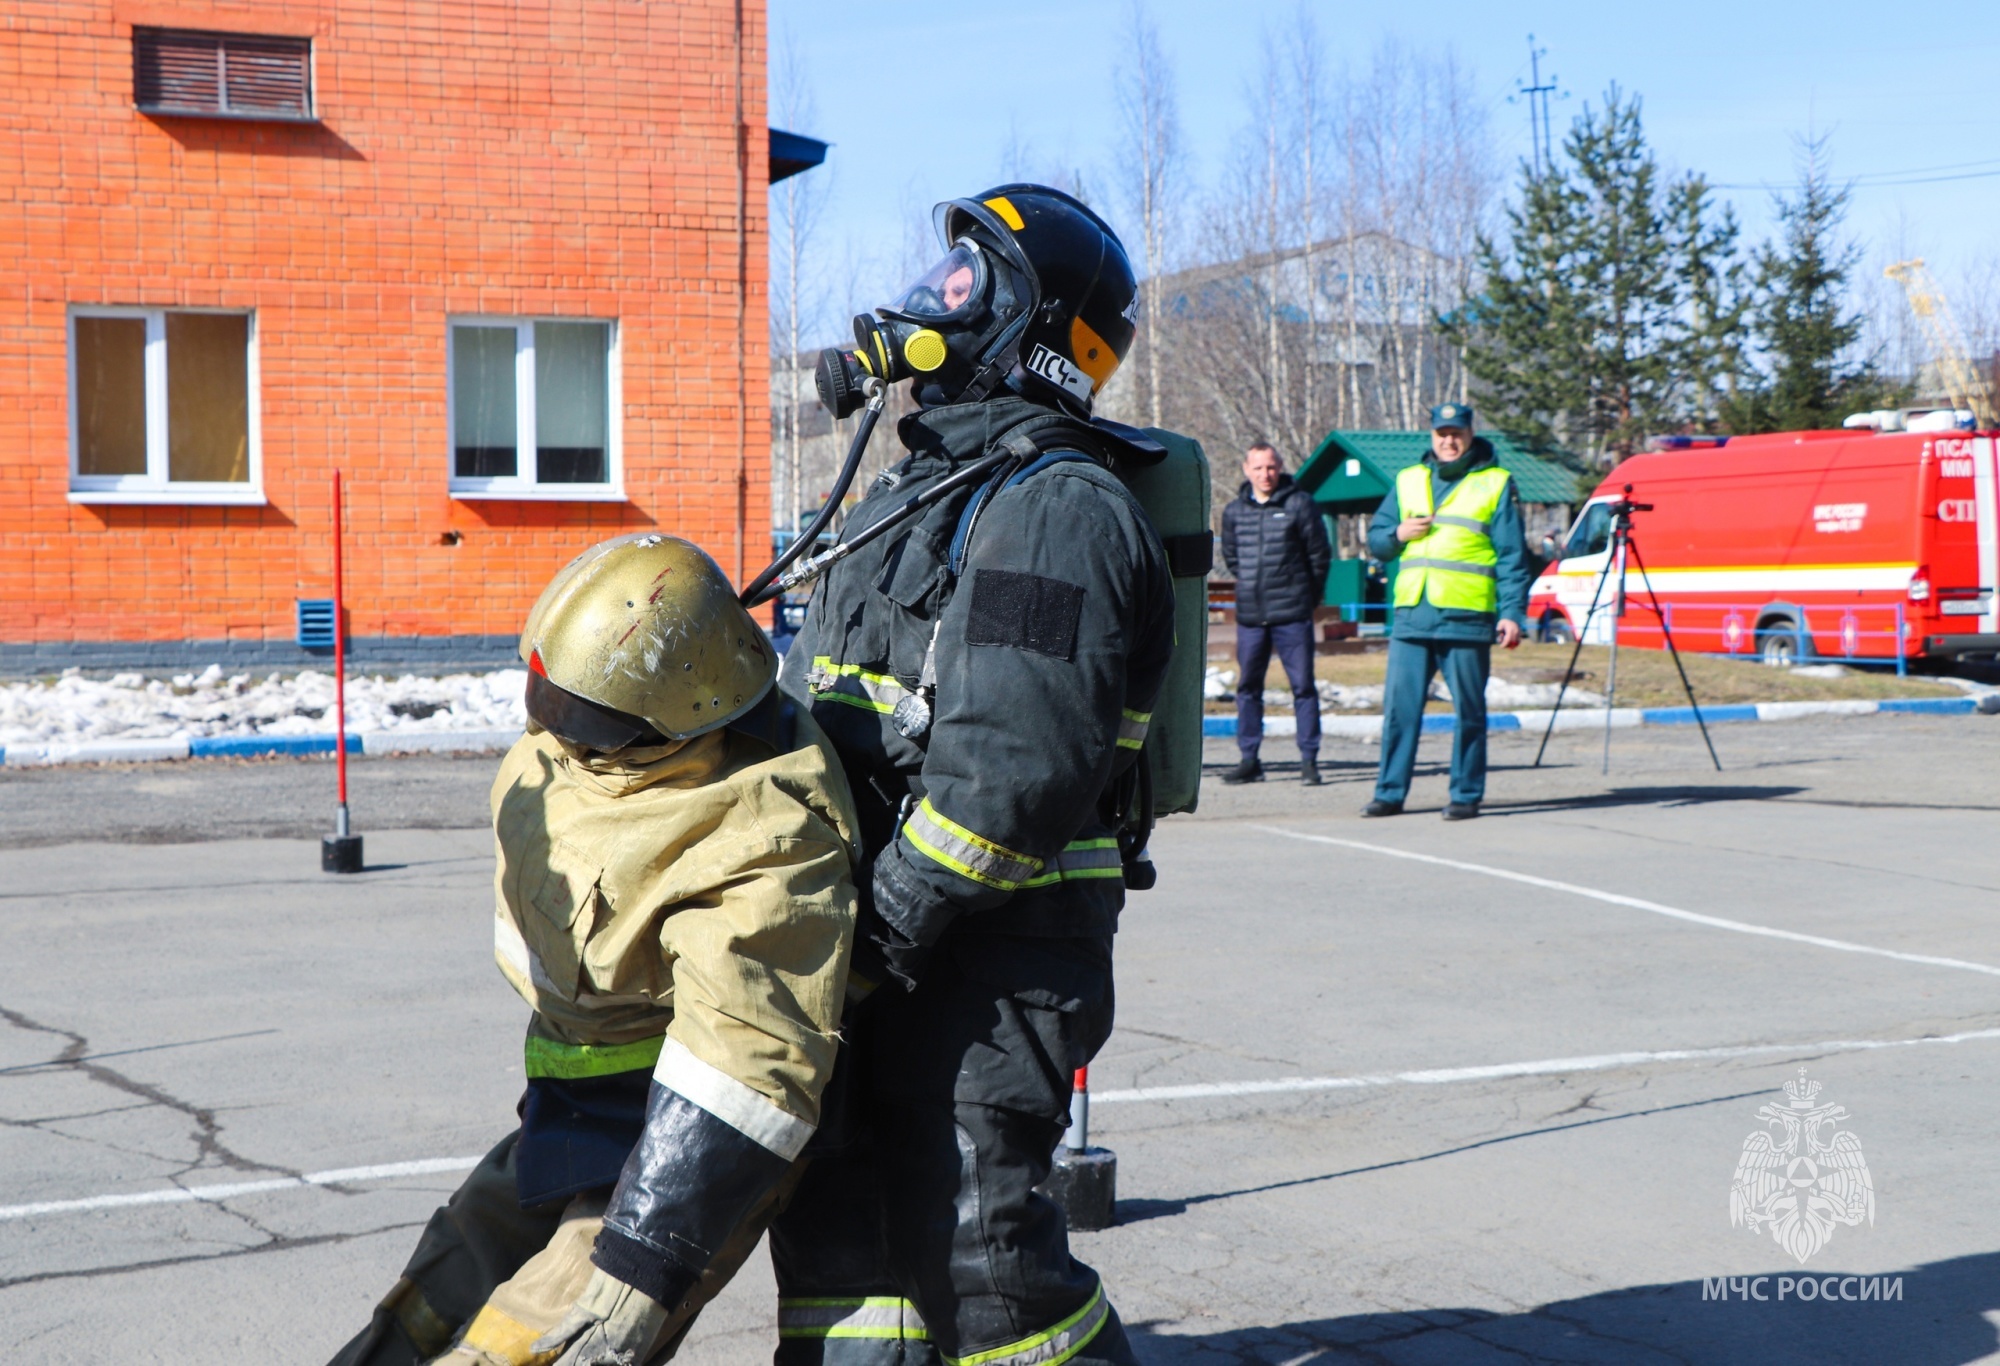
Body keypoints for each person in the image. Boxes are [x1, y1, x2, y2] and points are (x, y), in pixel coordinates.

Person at [769, 184, 1176, 1366]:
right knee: (845, 1245)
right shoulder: (916, 492)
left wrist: (875, 935)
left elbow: (1009, 778)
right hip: (879, 945)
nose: (930, 302)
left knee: (985, 1268)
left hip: (989, 956)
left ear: (1032, 328)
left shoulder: (1054, 509)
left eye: (967, 285)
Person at [330, 533, 861, 1366]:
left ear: (688, 704)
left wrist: (639, 1273)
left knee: (534, 1336)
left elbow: (743, 1073)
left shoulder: (762, 835)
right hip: (576, 1106)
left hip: (680, 1139)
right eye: (550, 707)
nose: (561, 740)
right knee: (443, 1283)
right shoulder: (564, 764)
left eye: (589, 725)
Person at [1364, 404, 1530, 820]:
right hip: (1413, 616)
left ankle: (1465, 794)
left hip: (1467, 617)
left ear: (1471, 433)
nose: (1448, 440)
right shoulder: (1408, 479)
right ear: (1431, 435)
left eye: (1456, 432)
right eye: (1441, 433)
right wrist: (1398, 533)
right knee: (1400, 713)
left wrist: (1511, 614)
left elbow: (1512, 557)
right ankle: (1389, 792)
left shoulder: (1495, 483)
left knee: (1470, 714)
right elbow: (1378, 541)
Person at [1219, 441, 1332, 786]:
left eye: (1270, 467)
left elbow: (1319, 557)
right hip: (1252, 615)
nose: (1265, 474)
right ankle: (1249, 759)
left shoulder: (1300, 504)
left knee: (1303, 688)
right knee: (1248, 688)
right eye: (1258, 468)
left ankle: (1309, 761)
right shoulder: (1234, 511)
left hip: (1293, 613)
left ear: (1279, 467)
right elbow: (1232, 558)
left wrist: (1306, 598)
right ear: (1246, 470)